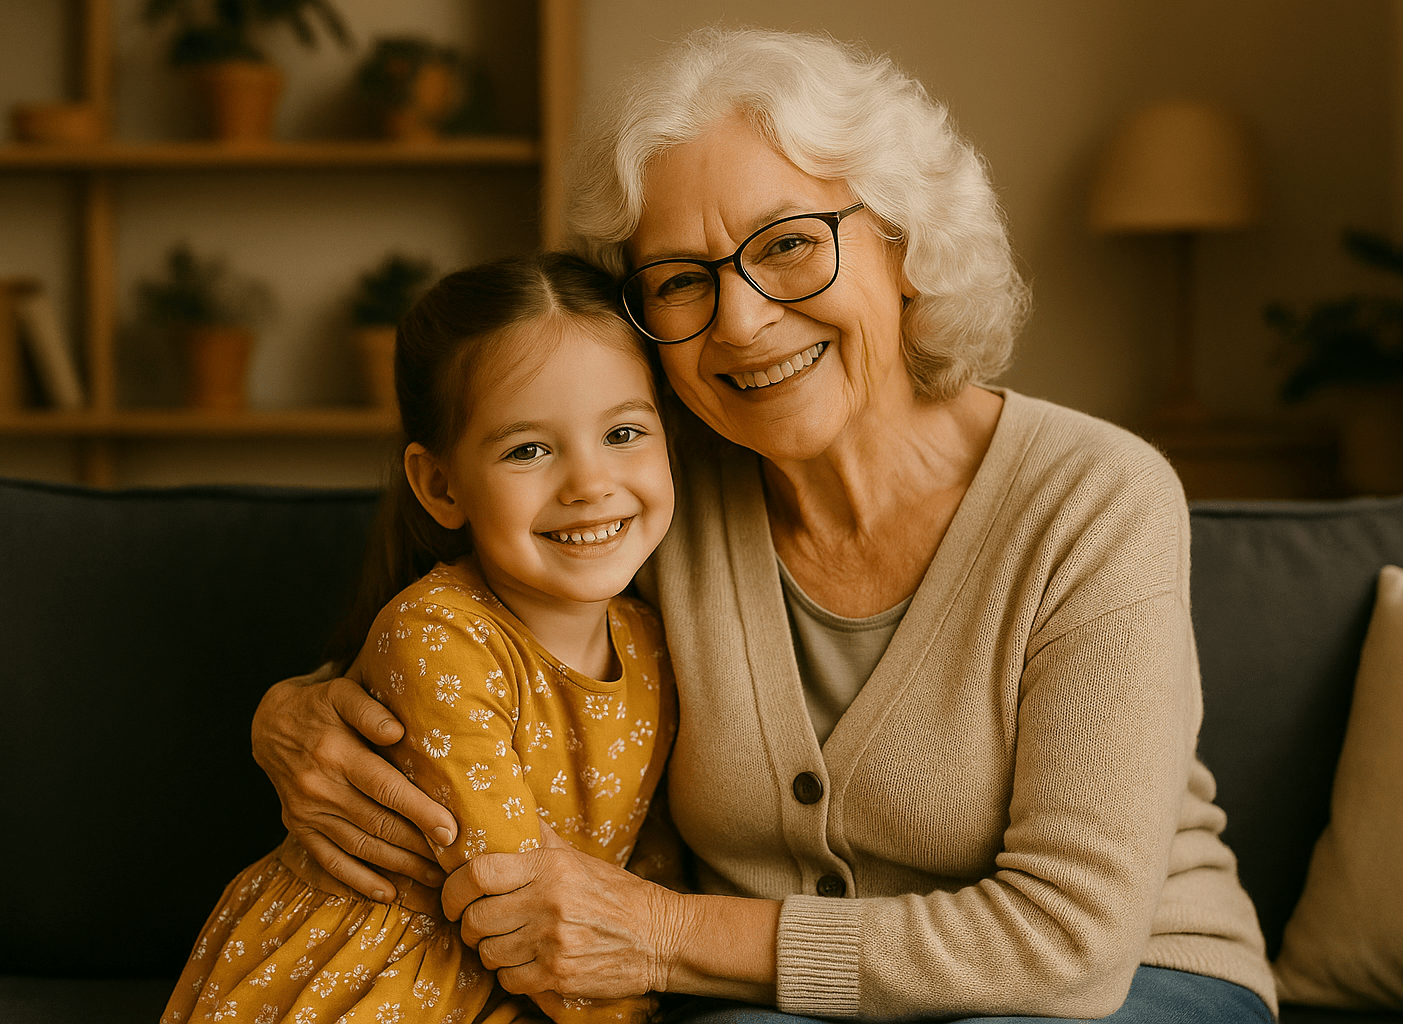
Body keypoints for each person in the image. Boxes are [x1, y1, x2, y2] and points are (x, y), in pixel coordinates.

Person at [251, 27, 1280, 1023]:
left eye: (789, 244)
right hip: (773, 997)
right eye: (683, 281)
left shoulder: (1093, 496)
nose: (740, 322)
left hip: (1127, 986)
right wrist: (295, 711)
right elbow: (481, 631)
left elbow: (1071, 945)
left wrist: (658, 932)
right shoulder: (647, 491)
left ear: (905, 241)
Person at [165, 252, 679, 1024]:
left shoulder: (656, 638)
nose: (590, 483)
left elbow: (654, 866)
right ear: (441, 485)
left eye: (625, 432)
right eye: (528, 450)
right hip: (379, 979)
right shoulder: (436, 636)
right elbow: (514, 893)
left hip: (539, 972)